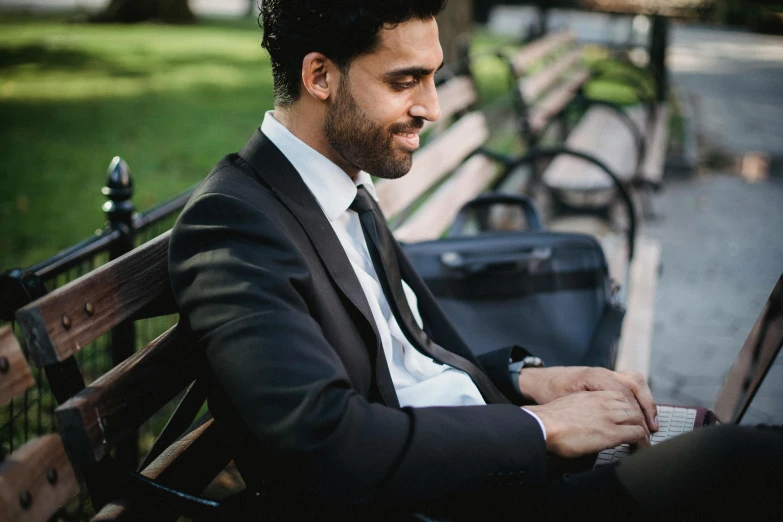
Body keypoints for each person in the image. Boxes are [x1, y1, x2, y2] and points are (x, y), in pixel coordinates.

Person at [168, 1, 782, 519]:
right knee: (737, 462)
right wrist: (545, 428)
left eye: (434, 77)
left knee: (726, 448)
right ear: (320, 76)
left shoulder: (343, 188)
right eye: (404, 81)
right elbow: (329, 446)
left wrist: (533, 383)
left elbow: (409, 361)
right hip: (444, 499)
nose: (431, 107)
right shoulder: (234, 227)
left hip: (483, 464)